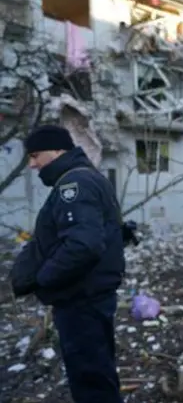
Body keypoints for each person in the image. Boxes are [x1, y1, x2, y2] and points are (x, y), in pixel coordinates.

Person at [12, 125, 125, 403]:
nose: (32, 164)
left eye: (36, 155)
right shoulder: (85, 178)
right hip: (87, 297)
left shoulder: (74, 185)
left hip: (81, 300)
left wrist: (43, 278)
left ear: (58, 150)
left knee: (91, 381)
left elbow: (82, 245)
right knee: (96, 373)